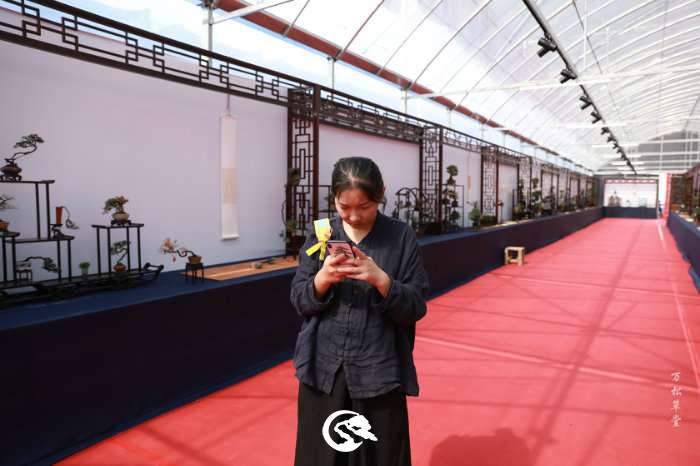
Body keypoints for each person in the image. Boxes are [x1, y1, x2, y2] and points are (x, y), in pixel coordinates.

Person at [290, 156, 430, 466]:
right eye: (344, 207)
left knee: (378, 455)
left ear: (381, 195)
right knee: (322, 456)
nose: (353, 216)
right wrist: (322, 279)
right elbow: (299, 299)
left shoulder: (400, 236)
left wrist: (382, 280)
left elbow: (416, 305)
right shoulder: (322, 233)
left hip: (379, 370)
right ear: (334, 199)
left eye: (364, 207)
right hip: (323, 369)